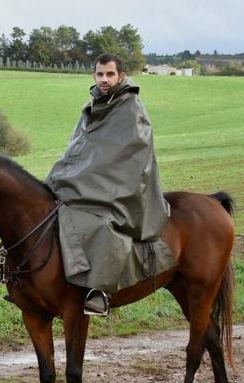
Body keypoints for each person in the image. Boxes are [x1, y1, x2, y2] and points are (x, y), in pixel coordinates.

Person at [45, 53, 174, 316]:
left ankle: (99, 290)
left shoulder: (130, 107)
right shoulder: (92, 105)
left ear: (121, 76)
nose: (104, 79)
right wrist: (61, 173)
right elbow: (79, 147)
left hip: (123, 186)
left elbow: (122, 155)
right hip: (92, 182)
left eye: (110, 74)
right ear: (94, 75)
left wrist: (79, 178)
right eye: (100, 74)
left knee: (101, 225)